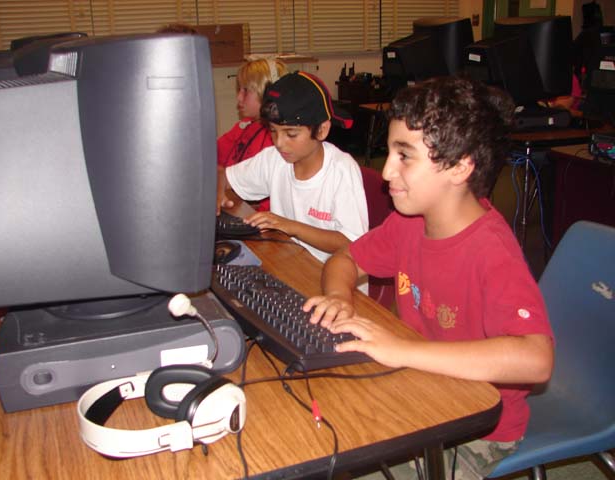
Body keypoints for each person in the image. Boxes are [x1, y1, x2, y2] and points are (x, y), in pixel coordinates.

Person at [303, 76, 555, 479]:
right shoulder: (409, 222)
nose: (387, 170)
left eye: (404, 156)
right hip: (420, 384)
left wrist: (402, 351)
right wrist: (339, 297)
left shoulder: (492, 252)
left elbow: (536, 360)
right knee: (322, 430)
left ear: (459, 167)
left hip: (478, 424)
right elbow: (344, 259)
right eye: (389, 152)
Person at [217, 71, 369, 263]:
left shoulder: (341, 171)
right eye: (273, 131)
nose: (279, 143)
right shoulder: (274, 159)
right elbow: (223, 176)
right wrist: (218, 193)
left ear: (322, 130)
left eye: (291, 134)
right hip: (288, 262)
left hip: (329, 273)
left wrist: (291, 227)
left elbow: (353, 243)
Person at [217, 58, 288, 211]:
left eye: (246, 91)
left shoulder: (277, 140)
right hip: (233, 204)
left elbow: (269, 205)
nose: (239, 97)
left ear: (268, 94)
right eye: (239, 90)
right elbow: (211, 157)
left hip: (255, 216)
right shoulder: (245, 126)